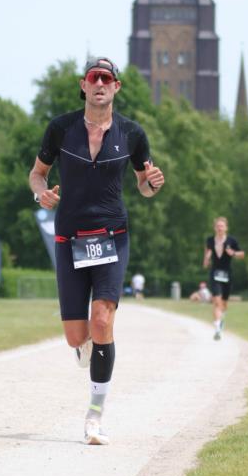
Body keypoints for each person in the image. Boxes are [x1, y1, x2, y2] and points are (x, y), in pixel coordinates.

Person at [28, 56, 165, 445]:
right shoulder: (60, 129)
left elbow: (143, 183)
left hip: (111, 236)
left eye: (108, 78)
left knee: (102, 321)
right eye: (94, 77)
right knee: (77, 337)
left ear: (116, 87)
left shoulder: (132, 134)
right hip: (69, 237)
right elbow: (37, 174)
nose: (101, 83)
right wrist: (42, 195)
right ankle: (85, 350)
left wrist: (152, 183)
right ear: (84, 85)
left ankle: (94, 416)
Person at [203, 217, 245, 340]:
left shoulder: (232, 241)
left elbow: (242, 254)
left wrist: (234, 253)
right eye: (218, 226)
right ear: (215, 228)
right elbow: (207, 252)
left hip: (227, 274)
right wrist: (206, 260)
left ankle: (221, 319)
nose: (220, 228)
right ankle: (217, 329)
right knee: (216, 301)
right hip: (215, 273)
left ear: (226, 228)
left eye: (222, 226)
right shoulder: (210, 240)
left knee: (224, 303)